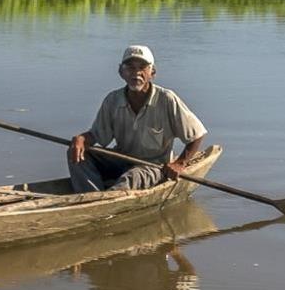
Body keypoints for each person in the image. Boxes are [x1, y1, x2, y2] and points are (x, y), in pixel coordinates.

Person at [67, 44, 208, 193]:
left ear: (152, 72)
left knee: (132, 177)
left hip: (153, 166)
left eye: (142, 67)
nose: (136, 73)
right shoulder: (112, 100)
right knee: (78, 152)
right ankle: (90, 196)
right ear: (121, 72)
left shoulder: (166, 99)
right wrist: (81, 139)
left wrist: (180, 163)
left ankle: (105, 200)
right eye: (130, 67)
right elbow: (97, 135)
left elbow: (197, 135)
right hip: (120, 160)